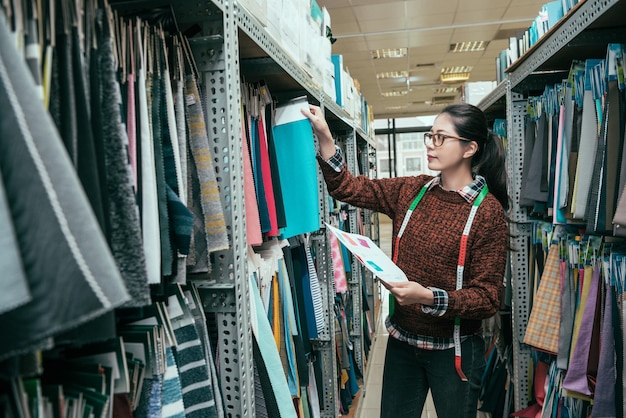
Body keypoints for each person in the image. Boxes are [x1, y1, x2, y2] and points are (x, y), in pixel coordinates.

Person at [301, 102, 509, 418]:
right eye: (430, 135)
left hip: (454, 354)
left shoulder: (487, 213)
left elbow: (488, 299)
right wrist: (326, 138)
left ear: (470, 148)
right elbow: (349, 188)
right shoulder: (413, 190)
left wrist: (426, 296)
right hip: (402, 344)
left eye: (441, 138)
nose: (430, 144)